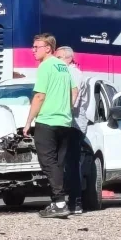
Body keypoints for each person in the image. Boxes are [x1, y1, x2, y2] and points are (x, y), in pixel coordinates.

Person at [23, 34, 78, 218]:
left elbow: (39, 96)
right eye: (33, 46)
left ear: (48, 48)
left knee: (48, 163)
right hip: (65, 121)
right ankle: (59, 202)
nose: (33, 50)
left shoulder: (45, 66)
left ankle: (60, 202)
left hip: (47, 121)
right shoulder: (64, 66)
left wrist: (28, 121)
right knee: (58, 164)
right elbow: (74, 91)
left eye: (36, 47)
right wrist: (66, 108)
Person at [55, 46, 90, 215]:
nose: (57, 60)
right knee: (65, 164)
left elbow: (72, 97)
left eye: (59, 57)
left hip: (73, 124)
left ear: (69, 58)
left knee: (71, 164)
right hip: (67, 122)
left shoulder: (73, 73)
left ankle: (75, 202)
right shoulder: (66, 72)